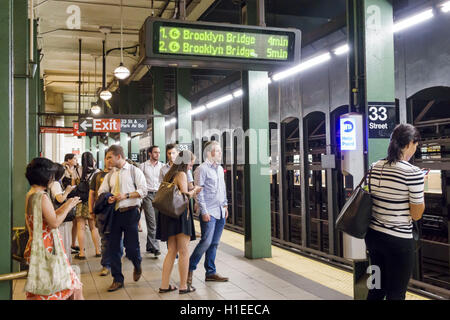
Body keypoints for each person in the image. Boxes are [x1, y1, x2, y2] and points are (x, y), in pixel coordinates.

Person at [365, 123, 425, 300]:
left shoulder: (376, 166)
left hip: (374, 238)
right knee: (396, 293)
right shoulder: (413, 173)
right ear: (408, 144)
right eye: (415, 145)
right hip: (398, 243)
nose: (415, 149)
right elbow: (416, 214)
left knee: (375, 289)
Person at [24, 157, 84, 300]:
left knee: (63, 288)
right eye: (51, 174)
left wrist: (67, 204)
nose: (53, 177)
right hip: (49, 248)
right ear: (45, 176)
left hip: (38, 246)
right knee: (72, 287)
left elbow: (48, 217)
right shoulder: (42, 197)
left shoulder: (31, 194)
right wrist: (69, 205)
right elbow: (54, 223)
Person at [97, 145, 147, 292]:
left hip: (131, 213)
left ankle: (137, 263)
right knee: (113, 248)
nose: (107, 161)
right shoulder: (110, 175)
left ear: (118, 156)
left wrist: (126, 195)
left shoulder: (134, 171)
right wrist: (108, 198)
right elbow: (102, 191)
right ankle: (117, 279)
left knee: (131, 247)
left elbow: (143, 190)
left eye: (109, 157)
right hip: (114, 214)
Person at [156, 150, 202, 294]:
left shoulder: (169, 173)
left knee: (171, 250)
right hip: (180, 215)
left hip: (168, 215)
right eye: (190, 163)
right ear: (184, 162)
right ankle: (183, 286)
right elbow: (185, 195)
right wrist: (195, 191)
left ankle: (164, 285)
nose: (191, 166)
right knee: (183, 251)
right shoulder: (181, 174)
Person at [188, 141, 229, 285]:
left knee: (215, 243)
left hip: (219, 211)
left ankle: (210, 272)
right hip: (209, 212)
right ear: (208, 153)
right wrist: (204, 211)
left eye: (220, 150)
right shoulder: (201, 169)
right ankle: (189, 268)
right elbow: (199, 193)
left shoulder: (219, 169)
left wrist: (225, 205)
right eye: (217, 150)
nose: (220, 153)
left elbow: (222, 189)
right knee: (206, 242)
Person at [74, 152, 101, 260]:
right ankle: (98, 250)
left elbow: (73, 186)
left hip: (80, 201)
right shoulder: (97, 172)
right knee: (93, 228)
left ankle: (81, 253)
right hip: (92, 201)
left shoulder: (77, 170)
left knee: (80, 228)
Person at [90, 156, 113, 276]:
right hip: (102, 212)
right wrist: (91, 211)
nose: (110, 161)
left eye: (112, 158)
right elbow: (92, 193)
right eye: (107, 158)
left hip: (115, 212)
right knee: (104, 239)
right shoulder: (97, 175)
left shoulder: (118, 174)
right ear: (104, 160)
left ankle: (114, 262)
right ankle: (106, 265)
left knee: (116, 239)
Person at [48, 163, 76, 264]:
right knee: (62, 239)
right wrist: (67, 191)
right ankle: (63, 262)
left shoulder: (52, 183)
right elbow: (60, 199)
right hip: (59, 215)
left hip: (55, 215)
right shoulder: (55, 184)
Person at [139, 146, 164, 257]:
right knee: (151, 222)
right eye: (155, 152)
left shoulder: (162, 167)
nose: (157, 154)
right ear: (150, 153)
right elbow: (139, 182)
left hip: (159, 195)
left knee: (157, 222)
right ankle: (155, 247)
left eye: (158, 152)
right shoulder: (143, 166)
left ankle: (149, 245)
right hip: (148, 195)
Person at [63, 153, 80, 254]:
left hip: (75, 196)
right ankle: (67, 244)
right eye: (74, 158)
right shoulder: (63, 170)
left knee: (75, 222)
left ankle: (73, 243)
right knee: (66, 221)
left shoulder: (78, 170)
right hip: (66, 197)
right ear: (68, 160)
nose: (76, 160)